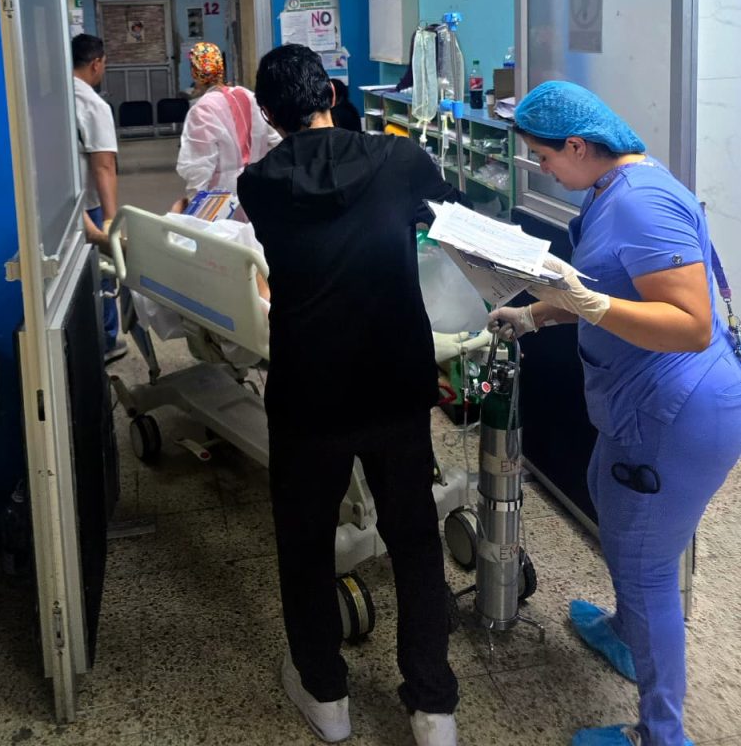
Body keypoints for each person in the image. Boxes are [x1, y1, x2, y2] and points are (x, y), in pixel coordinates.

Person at [489, 81, 741, 746]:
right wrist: (538, 314)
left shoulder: (640, 203)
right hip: (640, 405)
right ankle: (626, 633)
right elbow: (606, 285)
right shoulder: (611, 187)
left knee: (648, 567)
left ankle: (661, 733)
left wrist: (590, 307)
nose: (541, 168)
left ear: (577, 145)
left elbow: (690, 325)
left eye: (544, 156)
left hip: (673, 410)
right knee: (609, 499)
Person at [237, 44, 466, 746]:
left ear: (268, 116)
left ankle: (326, 696)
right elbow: (447, 219)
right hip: (394, 383)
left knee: (305, 542)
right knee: (414, 539)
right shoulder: (399, 161)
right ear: (332, 95)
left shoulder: (258, 184)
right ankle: (433, 708)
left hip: (309, 392)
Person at [175, 42, 280, 214]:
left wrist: (195, 211)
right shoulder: (248, 96)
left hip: (222, 202)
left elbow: (198, 168)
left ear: (194, 72)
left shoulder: (202, 110)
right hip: (260, 191)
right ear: (221, 67)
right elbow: (276, 142)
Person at [72, 33, 127, 364]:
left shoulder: (52, 96)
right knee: (102, 271)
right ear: (96, 64)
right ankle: (105, 341)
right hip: (87, 202)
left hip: (62, 202)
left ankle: (81, 343)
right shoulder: (93, 105)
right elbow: (104, 165)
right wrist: (110, 222)